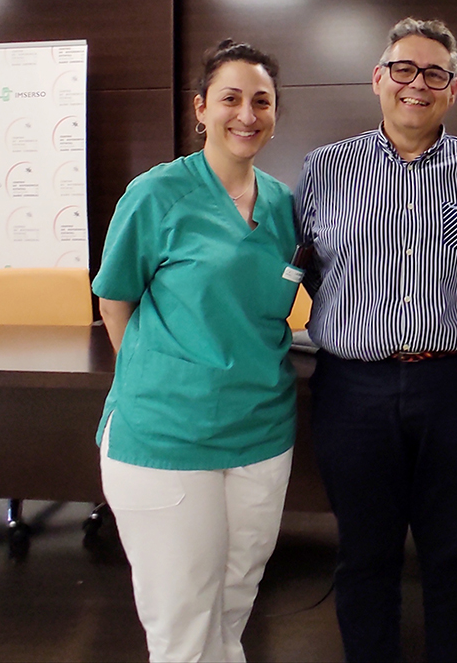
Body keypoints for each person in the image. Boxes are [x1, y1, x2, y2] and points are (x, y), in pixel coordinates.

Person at [294, 17, 457, 662]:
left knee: (455, 552)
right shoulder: (323, 168)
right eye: (403, 69)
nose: (417, 83)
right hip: (352, 387)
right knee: (364, 553)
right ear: (378, 79)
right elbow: (304, 267)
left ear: (453, 88)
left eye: (434, 73)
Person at [93, 40, 300, 663]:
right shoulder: (157, 194)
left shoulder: (284, 205)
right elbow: (115, 300)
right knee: (182, 623)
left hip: (262, 431)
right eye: (230, 98)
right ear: (201, 108)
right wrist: (160, 378)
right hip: (168, 438)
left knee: (233, 604)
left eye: (262, 101)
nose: (247, 114)